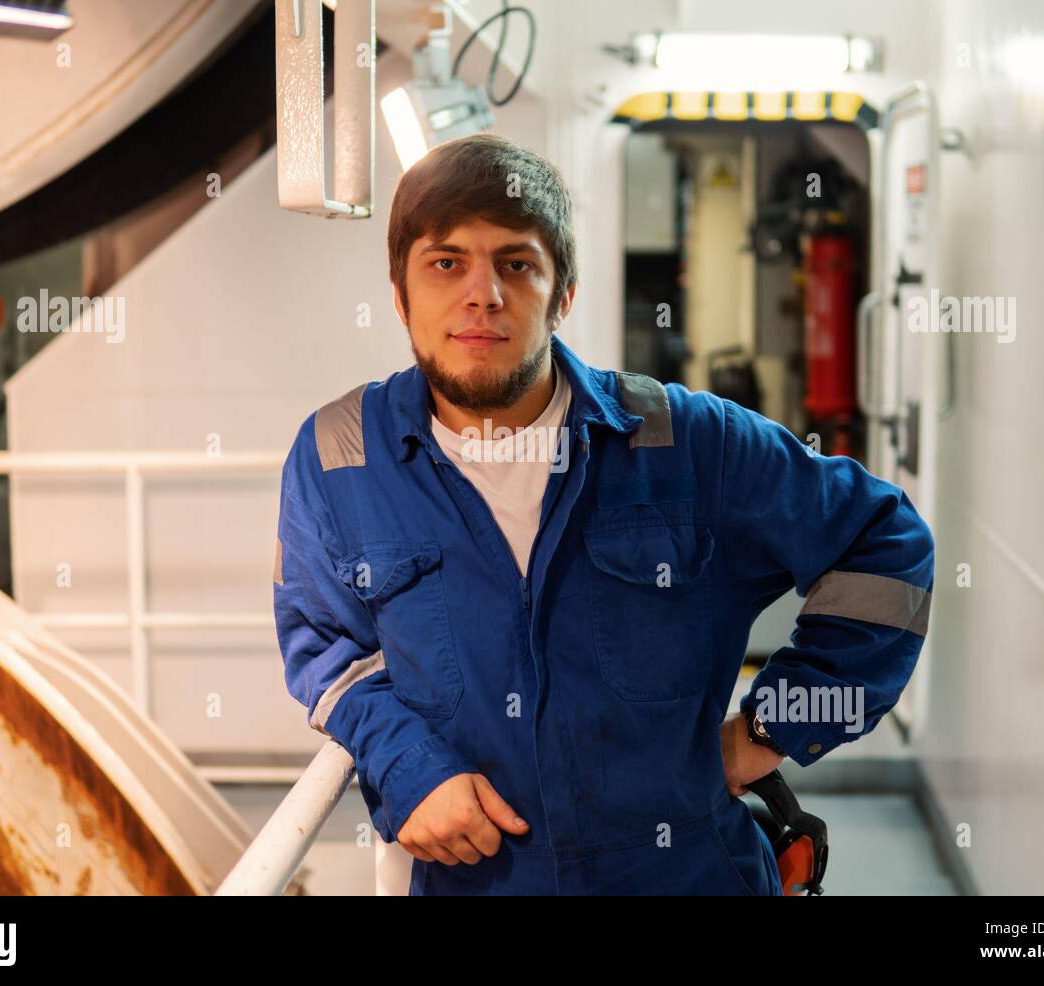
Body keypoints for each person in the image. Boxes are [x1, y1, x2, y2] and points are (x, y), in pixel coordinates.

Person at [273, 132, 934, 895]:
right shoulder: (338, 458)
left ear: (562, 295)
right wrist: (408, 766)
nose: (481, 294)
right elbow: (326, 646)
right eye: (446, 262)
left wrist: (770, 728)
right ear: (400, 294)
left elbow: (885, 545)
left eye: (516, 264)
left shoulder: (691, 444)